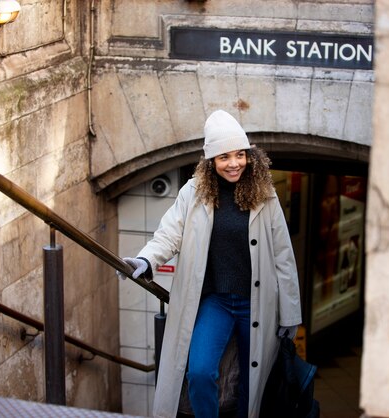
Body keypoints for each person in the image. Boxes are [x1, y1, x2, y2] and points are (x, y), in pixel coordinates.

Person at [120, 110, 302, 418]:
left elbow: (283, 257)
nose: (234, 163)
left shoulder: (265, 194)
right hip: (216, 301)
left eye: (240, 155)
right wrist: (146, 260)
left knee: (253, 381)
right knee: (200, 372)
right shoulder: (193, 192)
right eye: (224, 156)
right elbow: (169, 235)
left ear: (251, 157)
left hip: (256, 303)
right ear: (210, 161)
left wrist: (290, 313)